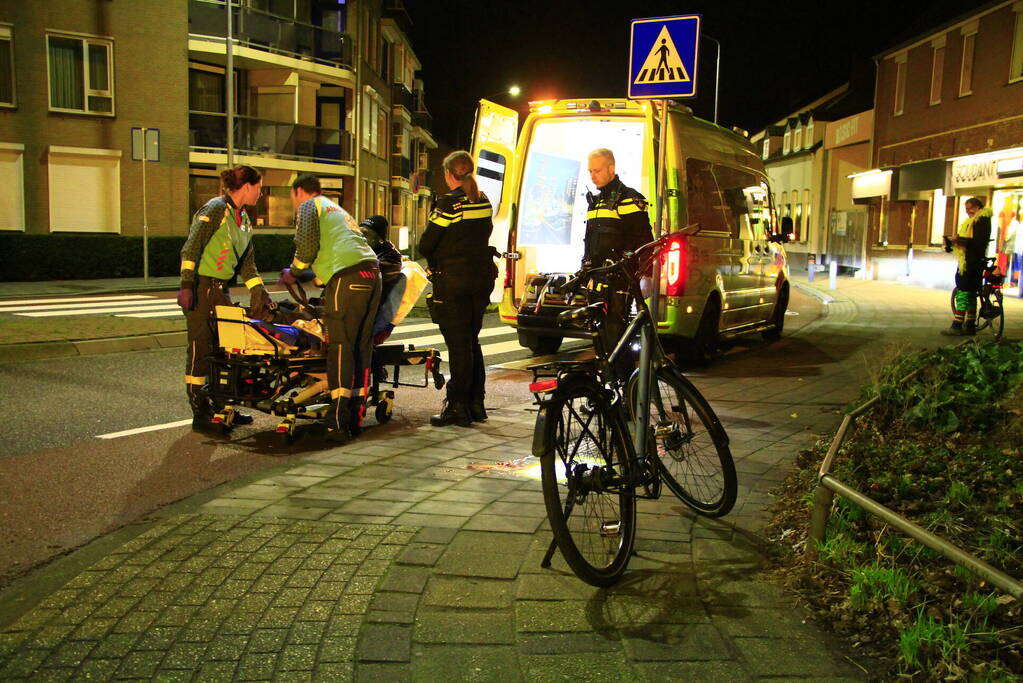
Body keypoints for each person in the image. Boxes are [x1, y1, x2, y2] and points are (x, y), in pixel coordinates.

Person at [281, 175, 382, 443]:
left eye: (292, 196)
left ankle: (337, 419)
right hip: (372, 274)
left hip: (348, 276)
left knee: (340, 346)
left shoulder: (309, 206)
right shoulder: (333, 208)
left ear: (299, 191)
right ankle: (355, 415)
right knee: (361, 346)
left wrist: (295, 271)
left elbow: (306, 245)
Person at [178, 164, 271, 432]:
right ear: (248, 186)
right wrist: (186, 284)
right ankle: (200, 412)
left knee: (225, 350)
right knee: (201, 350)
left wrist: (258, 290)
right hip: (201, 288)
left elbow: (247, 264)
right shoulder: (215, 208)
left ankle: (221, 407)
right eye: (260, 188)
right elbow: (191, 248)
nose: (261, 194)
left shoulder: (243, 219)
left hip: (221, 290)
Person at [419, 150, 499, 427]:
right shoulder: (483, 199)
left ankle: (457, 407)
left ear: (449, 174)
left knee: (458, 344)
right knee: (471, 340)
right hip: (481, 278)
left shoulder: (449, 204)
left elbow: (426, 244)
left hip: (455, 280)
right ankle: (477, 403)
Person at [581, 148, 653, 379]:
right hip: (597, 280)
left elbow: (645, 240)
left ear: (611, 169)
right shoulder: (597, 200)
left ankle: (625, 392)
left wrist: (647, 276)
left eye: (597, 170)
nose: (593, 175)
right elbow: (591, 242)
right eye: (590, 171)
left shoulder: (629, 198)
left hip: (619, 280)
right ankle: (608, 390)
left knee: (617, 338)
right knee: (600, 340)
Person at [942, 196, 992, 336]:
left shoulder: (981, 221)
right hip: (970, 261)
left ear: (978, 208)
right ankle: (969, 324)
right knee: (970, 293)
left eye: (970, 209)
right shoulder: (973, 221)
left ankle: (957, 324)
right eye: (966, 209)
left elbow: (978, 242)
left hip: (972, 263)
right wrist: (953, 243)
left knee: (963, 291)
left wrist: (961, 240)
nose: (968, 211)